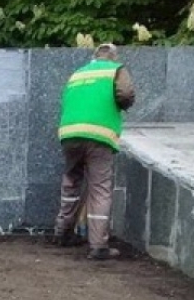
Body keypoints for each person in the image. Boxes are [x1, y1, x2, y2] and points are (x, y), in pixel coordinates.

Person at [53, 43, 136, 261]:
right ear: (113, 56)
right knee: (99, 188)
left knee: (71, 181)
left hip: (70, 133)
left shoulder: (78, 73)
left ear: (94, 57)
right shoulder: (115, 70)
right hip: (98, 134)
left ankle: (63, 232)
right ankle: (98, 245)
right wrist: (122, 105)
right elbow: (125, 93)